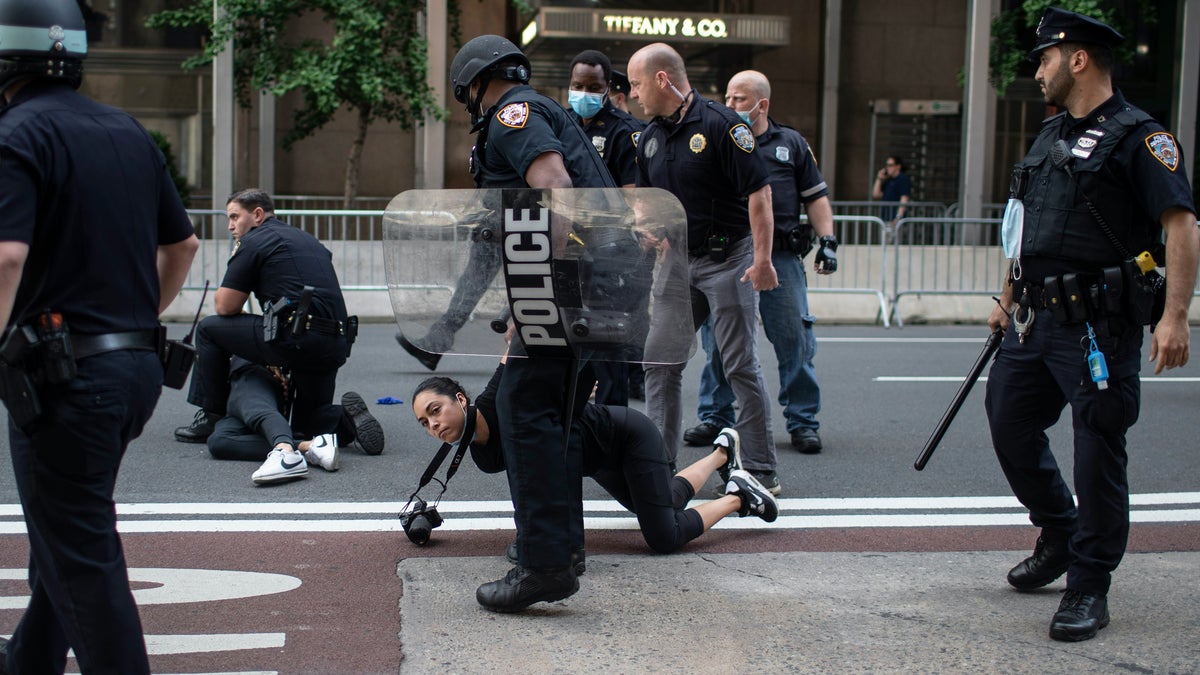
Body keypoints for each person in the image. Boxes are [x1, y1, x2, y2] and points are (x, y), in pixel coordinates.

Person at [984, 7, 1197, 643]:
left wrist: (1177, 316)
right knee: (1008, 420)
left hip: (1098, 327)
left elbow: (1182, 226)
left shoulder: (1140, 137)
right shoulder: (1048, 135)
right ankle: (1059, 531)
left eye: (1046, 58)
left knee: (1097, 448)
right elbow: (1021, 223)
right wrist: (1004, 296)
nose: (1039, 70)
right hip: (1035, 319)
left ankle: (1088, 584)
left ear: (1078, 59)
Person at [0, 0, 200, 670]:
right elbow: (184, 244)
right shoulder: (128, 131)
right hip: (137, 367)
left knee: (82, 552)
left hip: (62, 378)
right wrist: (138, 316)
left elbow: (5, 257)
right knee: (68, 527)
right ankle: (28, 659)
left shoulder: (16, 134)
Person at [447, 34, 615, 612]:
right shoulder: (543, 109)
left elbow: (554, 186)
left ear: (473, 83)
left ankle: (543, 566)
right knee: (555, 415)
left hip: (564, 282)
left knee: (523, 411)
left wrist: (551, 285)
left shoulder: (512, 114)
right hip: (586, 283)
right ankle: (561, 549)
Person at [626, 43, 782, 492]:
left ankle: (760, 469)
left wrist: (763, 260)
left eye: (637, 84)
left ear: (662, 80)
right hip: (676, 262)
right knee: (660, 361)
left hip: (728, 260)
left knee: (738, 366)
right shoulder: (649, 136)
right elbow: (647, 198)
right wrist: (646, 225)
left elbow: (760, 194)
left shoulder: (722, 125)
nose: (634, 94)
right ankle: (657, 465)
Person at [411, 366, 778, 554]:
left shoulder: (495, 398)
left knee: (663, 536)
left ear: (460, 399)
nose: (434, 425)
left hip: (627, 437)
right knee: (666, 501)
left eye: (436, 410)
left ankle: (738, 497)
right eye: (425, 423)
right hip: (597, 461)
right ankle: (722, 453)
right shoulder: (479, 452)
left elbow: (514, 352)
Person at [174, 189, 385, 477]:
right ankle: (345, 421)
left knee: (210, 329)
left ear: (257, 214)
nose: (230, 226)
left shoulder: (255, 240)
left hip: (295, 339)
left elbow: (225, 305)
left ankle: (211, 415)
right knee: (308, 421)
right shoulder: (309, 240)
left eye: (235, 216)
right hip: (335, 343)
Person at [684, 70, 839, 458]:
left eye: (740, 99)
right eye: (729, 98)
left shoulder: (790, 143)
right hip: (730, 255)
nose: (731, 105)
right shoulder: (717, 137)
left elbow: (815, 196)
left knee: (794, 341)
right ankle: (715, 416)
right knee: (720, 344)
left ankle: (803, 422)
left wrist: (829, 242)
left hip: (781, 258)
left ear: (761, 104)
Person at [566, 49, 647, 406]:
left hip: (610, 250)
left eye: (592, 86)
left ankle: (611, 422)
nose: (583, 92)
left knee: (606, 340)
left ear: (607, 87)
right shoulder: (560, 123)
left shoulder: (625, 131)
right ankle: (574, 416)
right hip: (567, 246)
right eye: (577, 85)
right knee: (569, 334)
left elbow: (633, 197)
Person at [206, 357, 342, 484]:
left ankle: (285, 451)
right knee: (219, 441)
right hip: (234, 384)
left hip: (252, 368)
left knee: (257, 410)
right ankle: (311, 445)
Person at [872, 154, 911, 224]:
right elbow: (876, 195)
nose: (888, 168)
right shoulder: (888, 180)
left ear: (898, 166)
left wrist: (898, 217)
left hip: (895, 220)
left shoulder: (903, 179)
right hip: (885, 218)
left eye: (890, 165)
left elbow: (904, 199)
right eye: (887, 165)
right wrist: (879, 179)